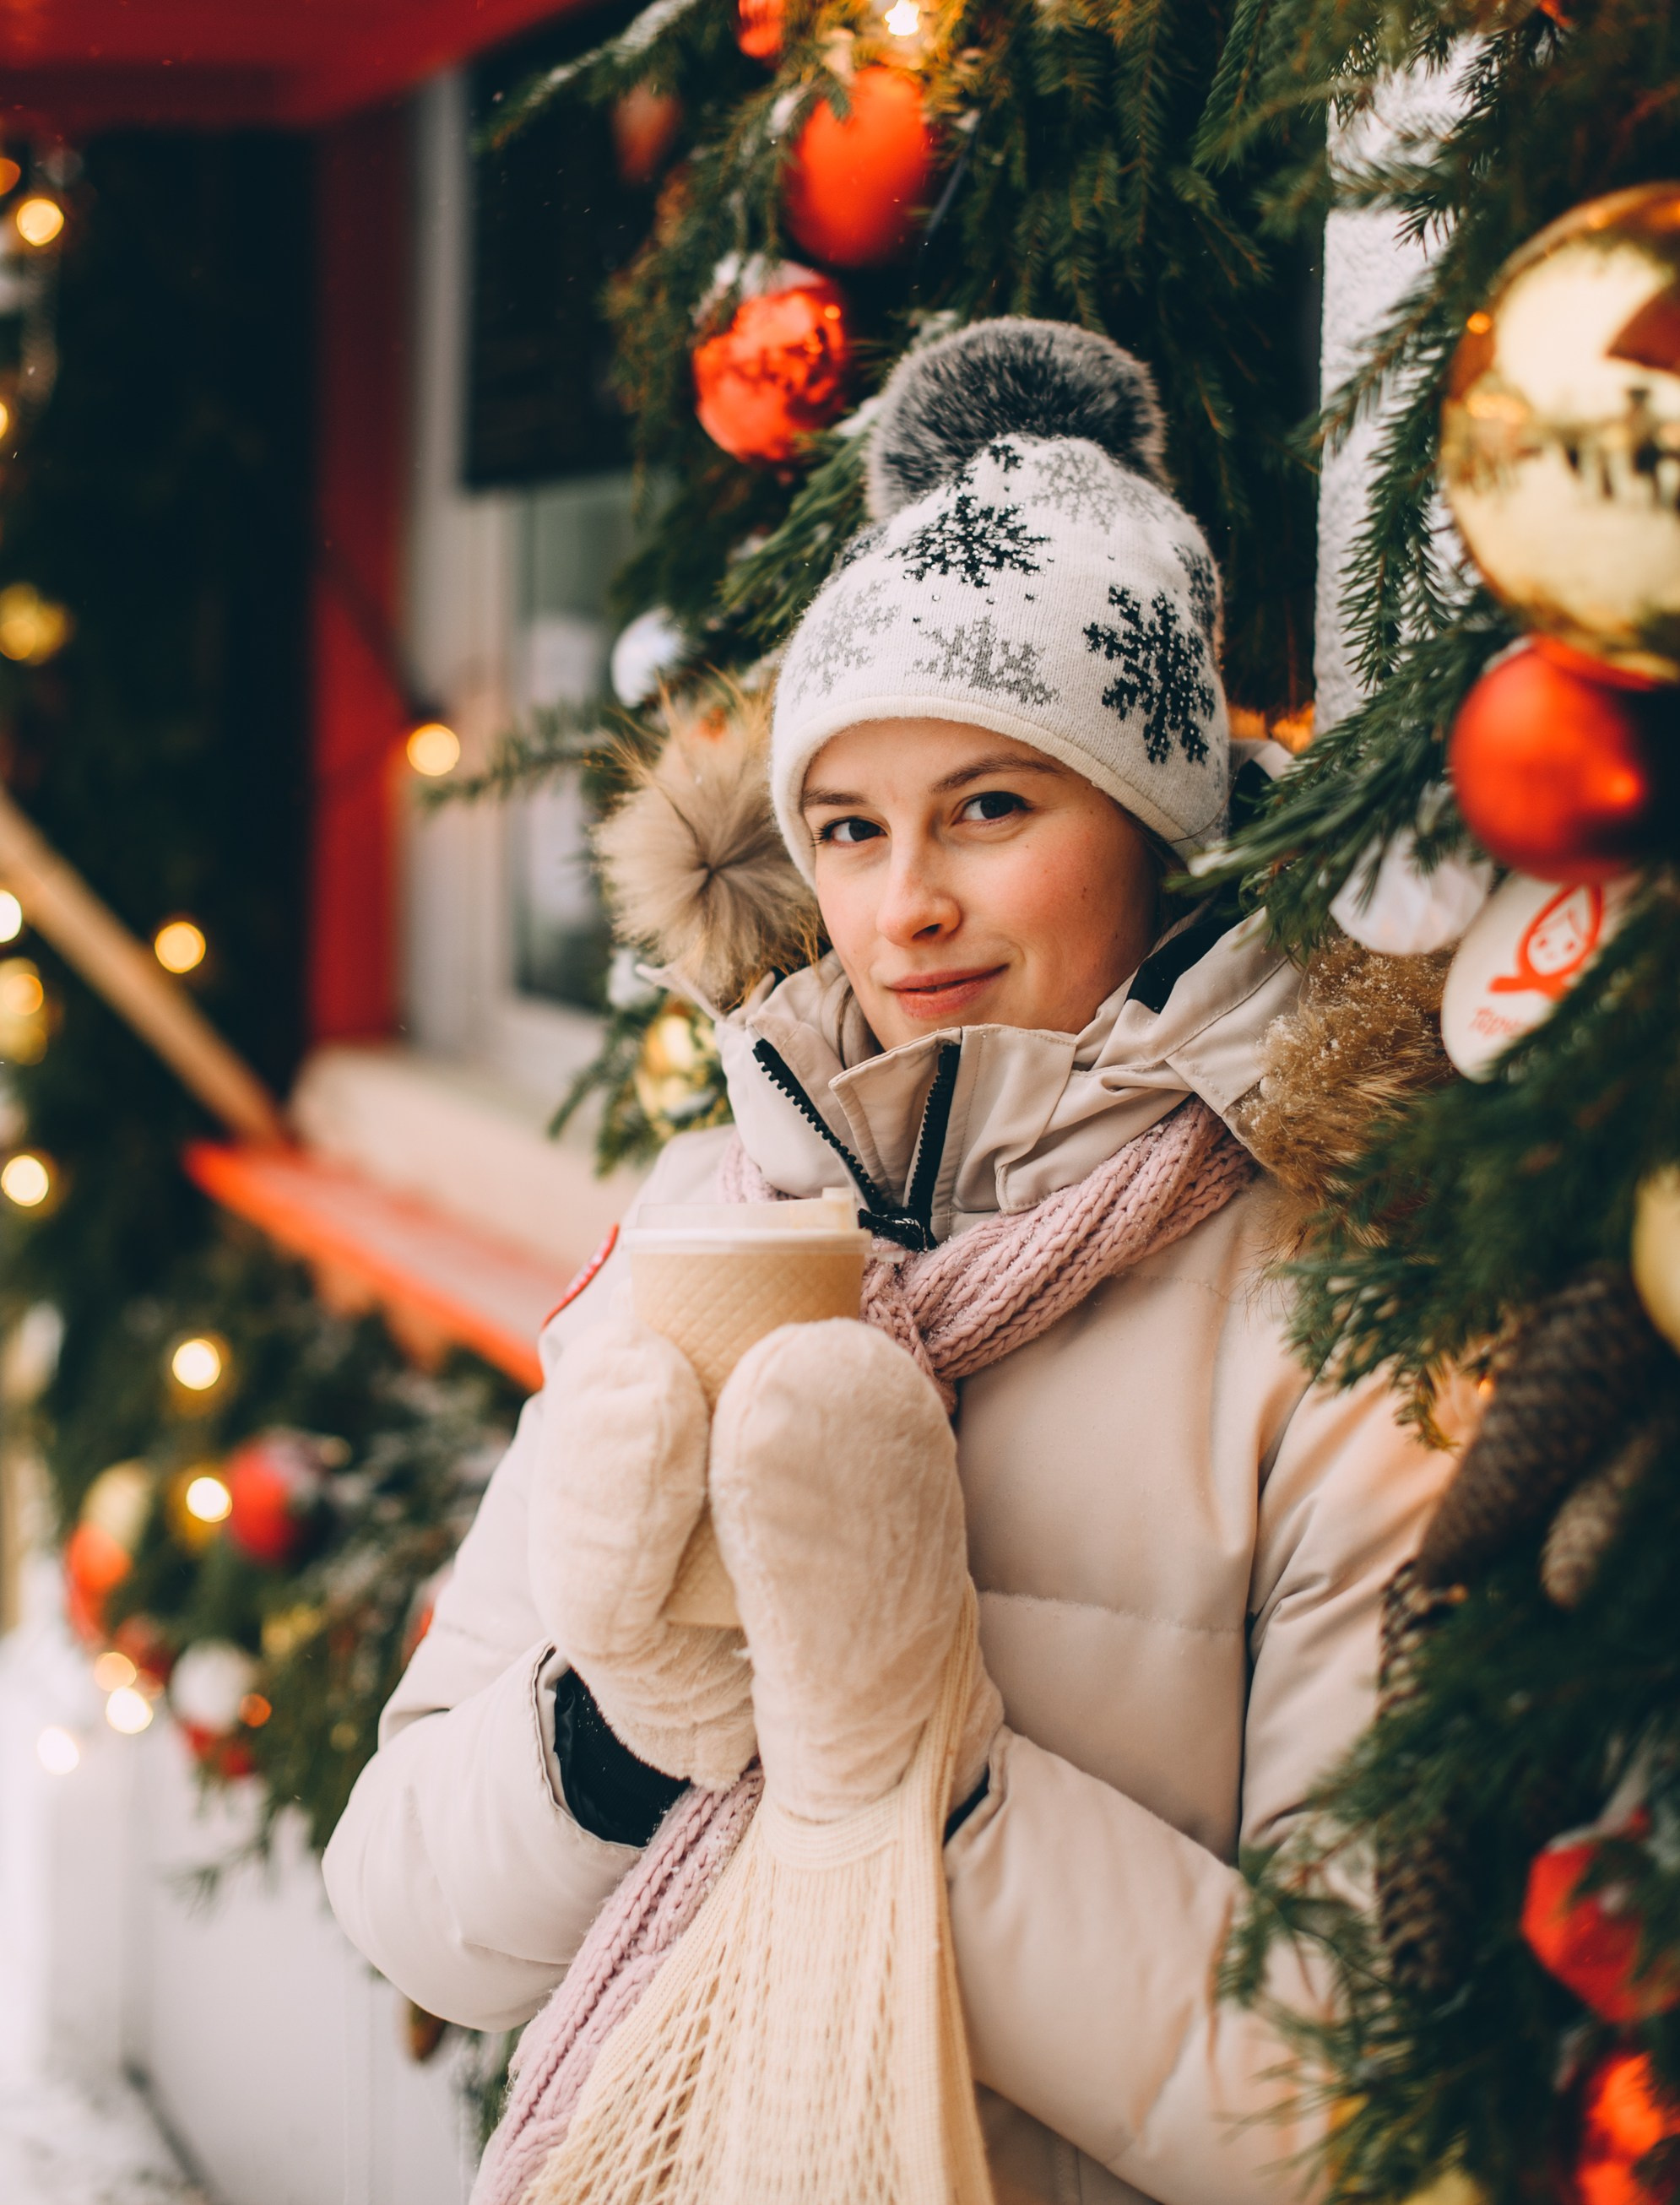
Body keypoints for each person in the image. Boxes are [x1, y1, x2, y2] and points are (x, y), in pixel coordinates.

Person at [324, 319, 1462, 2205]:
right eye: (845, 828)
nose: (901, 903)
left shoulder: (1332, 1309)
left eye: (989, 810)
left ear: (1154, 823)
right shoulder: (717, 1214)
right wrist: (617, 1739)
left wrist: (915, 1774)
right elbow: (407, 1902)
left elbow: (1348, 2113)